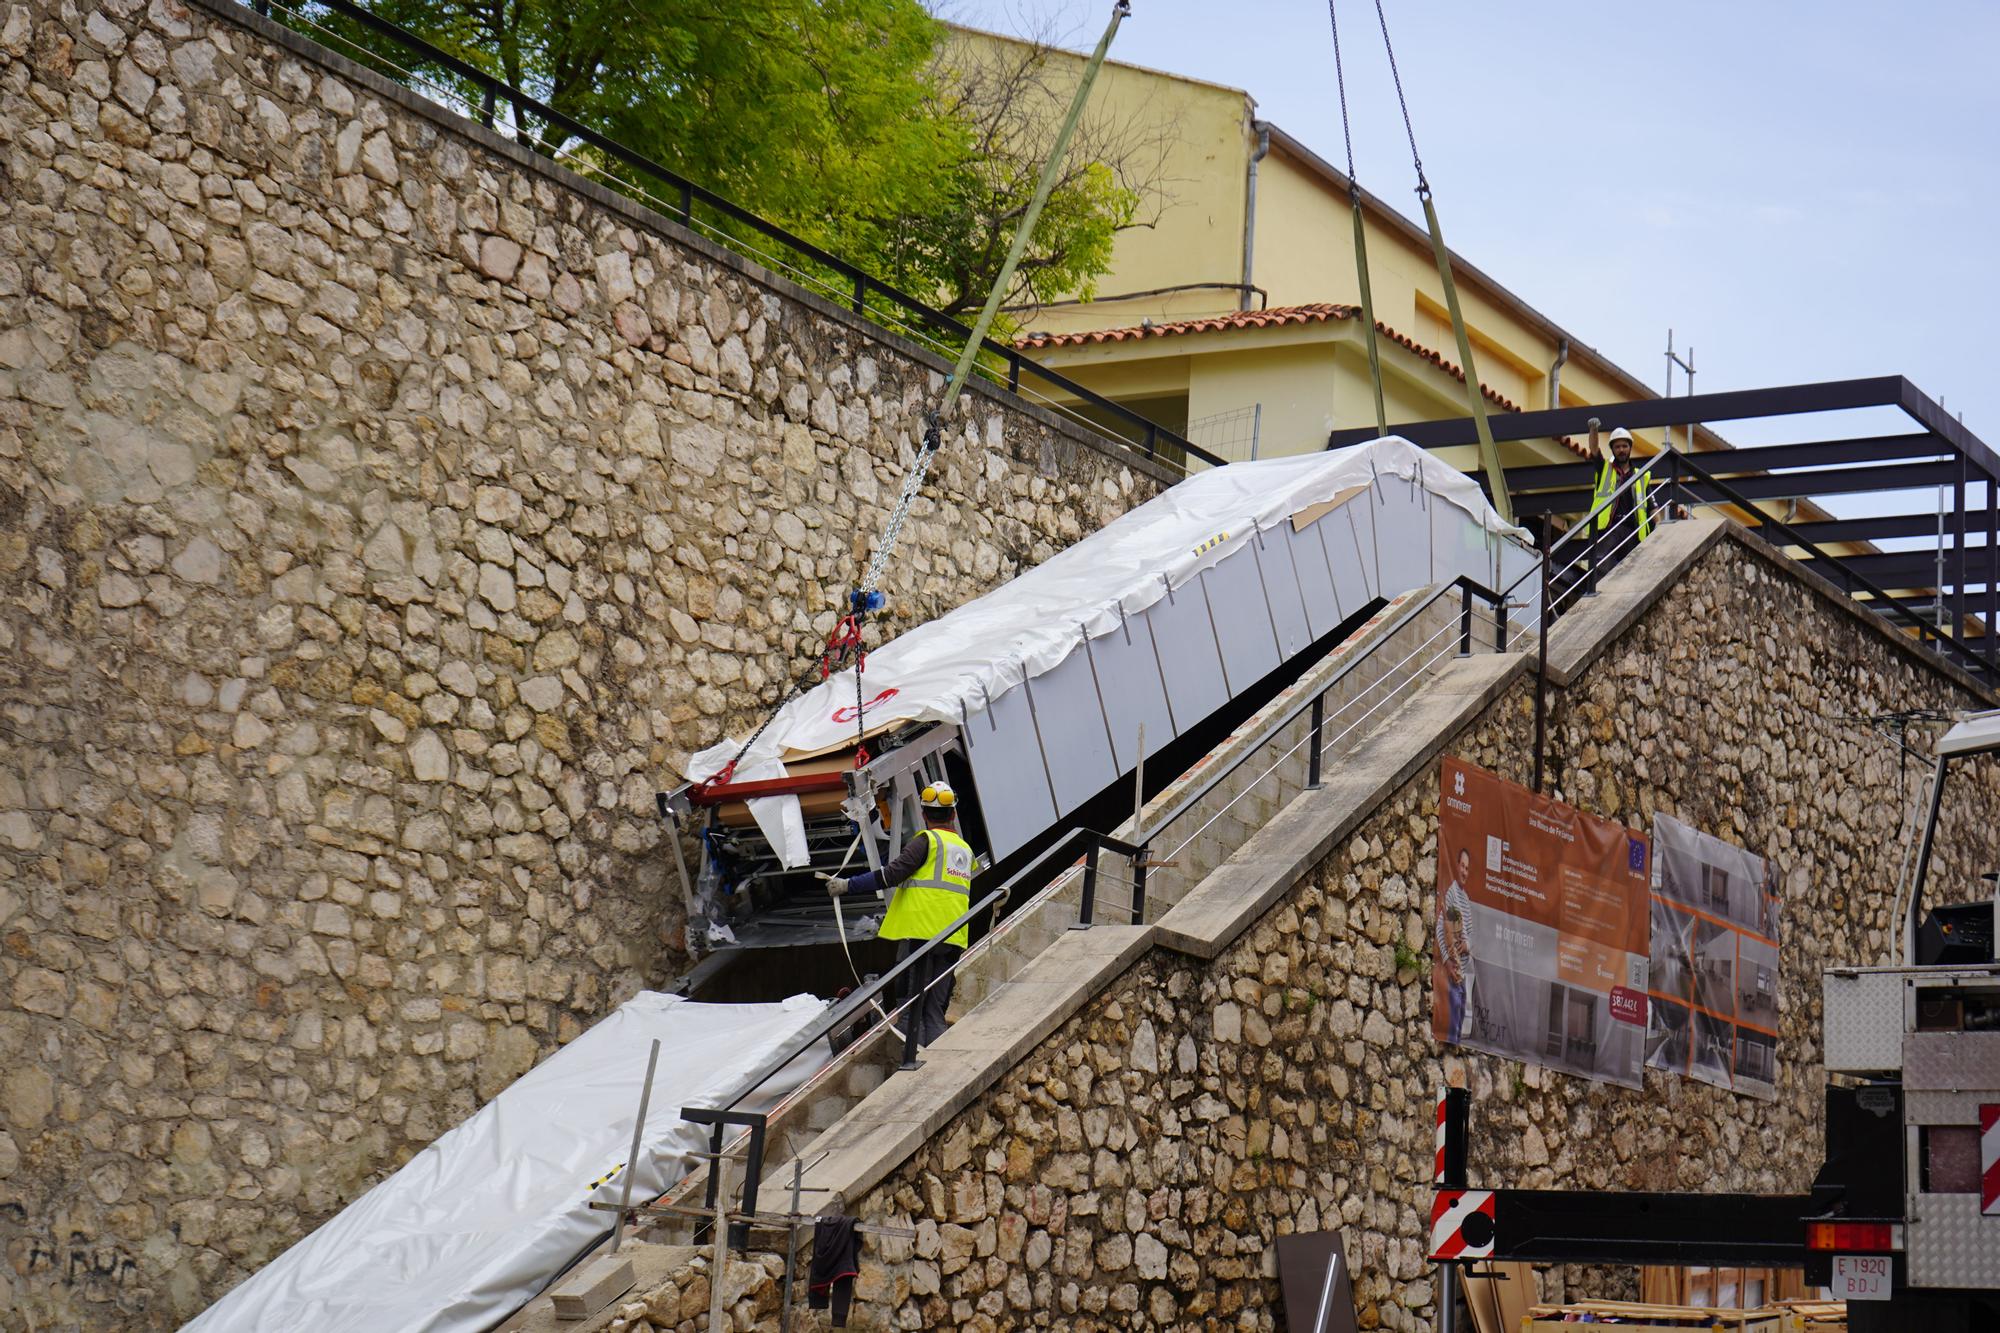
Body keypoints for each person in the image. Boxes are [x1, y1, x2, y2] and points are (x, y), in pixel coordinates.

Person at [826, 781, 973, 1048]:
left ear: (925, 815)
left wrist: (848, 885)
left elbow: (892, 874)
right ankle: (939, 1064)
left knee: (910, 1005)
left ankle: (911, 1068)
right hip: (953, 938)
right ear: (953, 814)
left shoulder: (927, 841)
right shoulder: (964, 850)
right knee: (934, 1009)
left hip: (922, 934)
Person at [1590, 427, 1655, 576]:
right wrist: (1593, 430)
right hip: (1610, 528)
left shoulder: (1640, 476)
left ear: (1630, 448)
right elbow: (1594, 450)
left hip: (1633, 531)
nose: (1621, 450)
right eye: (1617, 447)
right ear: (1612, 449)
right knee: (1602, 567)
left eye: (1624, 446)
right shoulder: (1604, 469)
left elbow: (1652, 506)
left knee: (1633, 572)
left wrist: (1662, 527)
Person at [1438, 846, 1477, 1043]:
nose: (1464, 871)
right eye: (1462, 866)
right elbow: (1441, 929)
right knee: (1454, 1014)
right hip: (1453, 970)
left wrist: (1467, 944)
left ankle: (1455, 1044)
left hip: (1463, 972)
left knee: (1462, 1014)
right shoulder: (1452, 893)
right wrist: (1448, 962)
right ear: (1456, 866)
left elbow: (1470, 935)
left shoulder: (1466, 900)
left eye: (1467, 868)